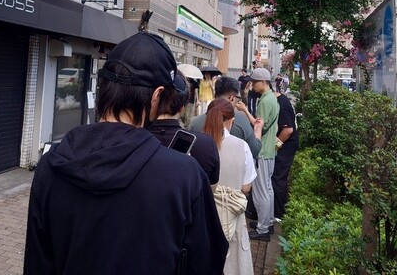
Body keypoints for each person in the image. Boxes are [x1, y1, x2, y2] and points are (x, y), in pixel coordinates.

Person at [24, 32, 228, 275]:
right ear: (156, 96)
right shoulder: (185, 176)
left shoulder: (50, 165)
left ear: (104, 87)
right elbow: (208, 262)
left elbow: (37, 262)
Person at [203, 99, 257, 275]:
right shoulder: (242, 146)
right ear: (231, 121)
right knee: (232, 264)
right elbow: (246, 187)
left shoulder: (196, 144)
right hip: (232, 217)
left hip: (203, 217)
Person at [149, 73, 221, 187]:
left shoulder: (132, 140)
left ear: (153, 98)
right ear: (182, 108)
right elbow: (211, 190)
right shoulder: (206, 144)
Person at [189, 76, 263, 160]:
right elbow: (255, 150)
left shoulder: (195, 122)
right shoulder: (241, 122)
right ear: (232, 98)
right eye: (238, 99)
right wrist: (258, 129)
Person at [246, 68, 279, 242]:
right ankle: (268, 222)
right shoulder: (272, 98)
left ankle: (263, 229)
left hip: (263, 151)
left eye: (254, 82)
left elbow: (259, 127)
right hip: (270, 149)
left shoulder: (265, 101)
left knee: (261, 191)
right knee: (267, 189)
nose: (252, 85)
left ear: (264, 82)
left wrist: (245, 111)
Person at [272, 90, 299, 221]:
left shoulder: (281, 104)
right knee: (277, 177)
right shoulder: (280, 100)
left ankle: (278, 214)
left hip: (286, 145)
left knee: (278, 177)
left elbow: (288, 130)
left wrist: (275, 145)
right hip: (286, 144)